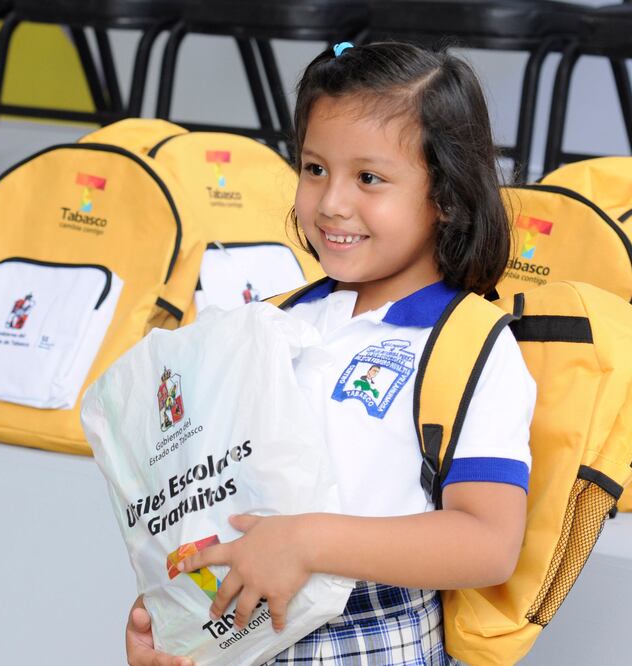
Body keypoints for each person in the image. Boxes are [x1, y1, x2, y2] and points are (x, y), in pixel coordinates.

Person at [125, 41, 536, 666]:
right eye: (315, 168)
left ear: (447, 195)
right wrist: (177, 626)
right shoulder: (270, 322)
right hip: (246, 630)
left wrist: (308, 540)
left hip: (374, 643)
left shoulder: (471, 346)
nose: (332, 201)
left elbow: (488, 543)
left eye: (368, 177)